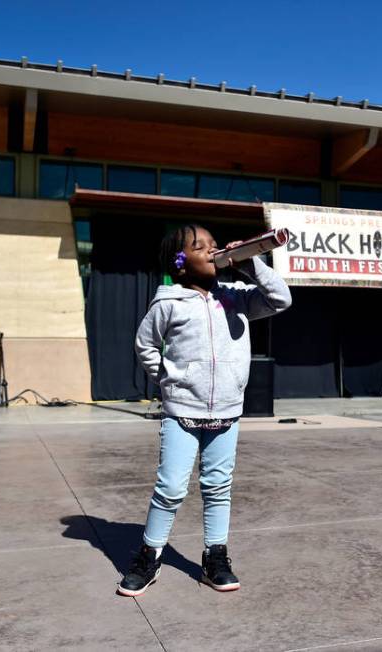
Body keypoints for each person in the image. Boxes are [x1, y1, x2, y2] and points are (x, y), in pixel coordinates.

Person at [117, 224, 291, 596]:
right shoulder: (168, 303)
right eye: (201, 247)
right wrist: (167, 379)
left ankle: (216, 557)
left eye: (215, 245)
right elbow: (145, 346)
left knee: (218, 487)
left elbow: (280, 300)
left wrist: (251, 265)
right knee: (171, 488)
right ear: (180, 264)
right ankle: (149, 555)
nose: (212, 251)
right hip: (182, 411)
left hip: (227, 411)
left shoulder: (237, 297)